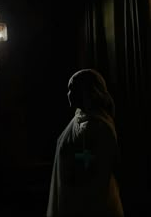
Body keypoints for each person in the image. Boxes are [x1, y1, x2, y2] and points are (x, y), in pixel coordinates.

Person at [46, 69, 124, 217]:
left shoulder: (99, 126)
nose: (69, 94)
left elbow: (97, 165)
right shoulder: (80, 117)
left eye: (73, 89)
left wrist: (72, 159)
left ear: (87, 91)